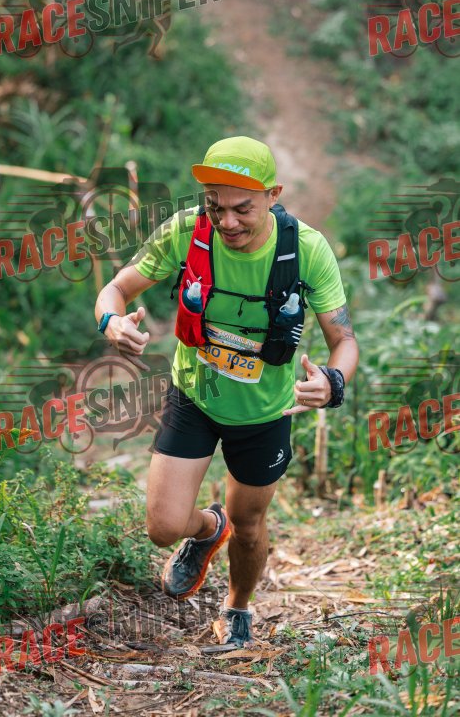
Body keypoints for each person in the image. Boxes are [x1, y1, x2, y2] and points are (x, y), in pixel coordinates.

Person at [94, 136, 359, 648]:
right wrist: (111, 320)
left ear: (273, 195)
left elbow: (343, 340)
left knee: (250, 523)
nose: (227, 221)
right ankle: (207, 529)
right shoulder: (185, 231)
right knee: (163, 527)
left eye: (243, 209)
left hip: (264, 413)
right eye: (216, 207)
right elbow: (117, 288)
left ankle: (237, 606)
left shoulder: (307, 250)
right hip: (194, 397)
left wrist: (333, 380)